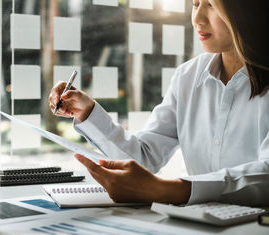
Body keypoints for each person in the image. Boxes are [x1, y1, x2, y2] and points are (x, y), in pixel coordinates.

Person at [48, 0, 269, 206]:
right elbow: (144, 158)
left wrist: (170, 190)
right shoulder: (188, 76)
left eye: (211, 5)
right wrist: (88, 112)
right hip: (202, 226)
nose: (198, 18)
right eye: (195, 3)